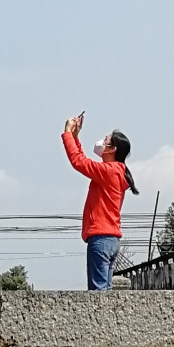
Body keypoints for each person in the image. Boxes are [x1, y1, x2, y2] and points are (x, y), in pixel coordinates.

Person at [62, 113, 138, 290]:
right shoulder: (116, 171)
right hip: (111, 239)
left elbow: (78, 161)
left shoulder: (108, 172)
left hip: (101, 238)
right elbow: (83, 160)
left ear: (112, 150)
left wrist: (67, 133)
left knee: (98, 296)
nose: (101, 143)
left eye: (105, 141)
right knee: (104, 292)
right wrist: (75, 137)